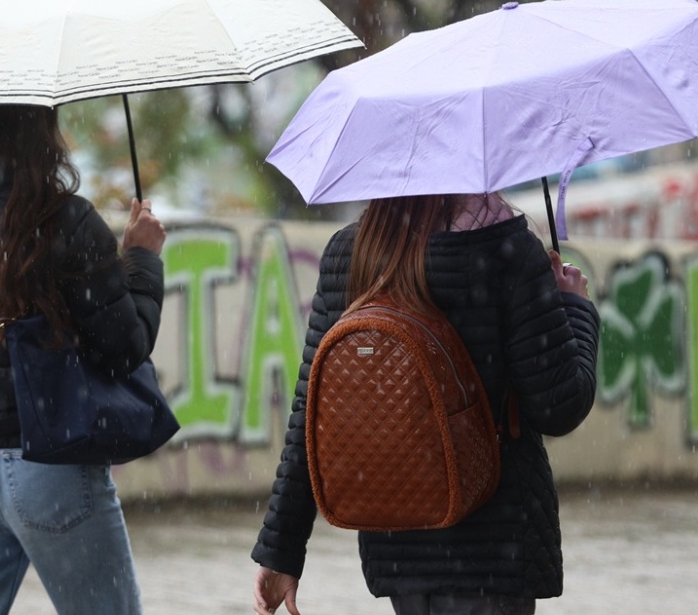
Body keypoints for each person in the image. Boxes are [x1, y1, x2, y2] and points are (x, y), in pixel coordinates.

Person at [251, 192, 600, 615]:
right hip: (496, 544)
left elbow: (311, 412)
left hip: (399, 536)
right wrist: (574, 307)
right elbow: (559, 407)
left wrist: (281, 552)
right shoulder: (506, 248)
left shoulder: (352, 251)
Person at [0, 103, 165, 614]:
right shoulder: (66, 222)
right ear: (39, 127)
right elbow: (124, 349)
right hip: (51, 467)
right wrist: (142, 261)